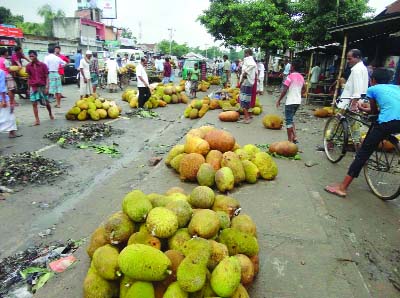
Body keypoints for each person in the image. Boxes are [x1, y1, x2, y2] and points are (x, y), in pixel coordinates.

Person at [325, 68, 400, 198]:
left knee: (362, 154)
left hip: (387, 122)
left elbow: (373, 111)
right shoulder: (397, 88)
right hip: (396, 121)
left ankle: (342, 188)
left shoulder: (373, 89)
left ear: (373, 80)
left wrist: (361, 108)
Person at [338, 49, 369, 148]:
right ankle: (357, 147)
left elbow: (357, 89)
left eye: (349, 58)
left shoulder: (356, 70)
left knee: (338, 121)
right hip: (356, 101)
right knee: (354, 127)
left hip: (350, 103)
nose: (348, 61)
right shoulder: (363, 68)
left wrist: (353, 103)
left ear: (357, 58)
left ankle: (330, 142)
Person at [276, 59, 305, 143]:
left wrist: (279, 100)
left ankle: (289, 141)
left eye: (291, 66)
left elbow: (285, 90)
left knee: (288, 121)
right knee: (291, 119)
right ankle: (295, 137)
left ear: (293, 67)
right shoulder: (301, 77)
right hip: (297, 101)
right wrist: (299, 94)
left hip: (290, 102)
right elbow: (304, 89)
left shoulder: (290, 76)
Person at [26, 50, 54, 126]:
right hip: (33, 87)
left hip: (42, 86)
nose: (31, 57)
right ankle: (37, 120)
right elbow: (29, 77)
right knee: (34, 104)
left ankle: (50, 114)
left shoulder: (43, 65)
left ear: (36, 56)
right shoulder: (28, 66)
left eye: (33, 56)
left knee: (46, 103)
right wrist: (28, 88)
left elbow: (47, 77)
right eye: (30, 56)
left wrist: (47, 87)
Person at [238, 49, 257, 124]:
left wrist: (245, 72)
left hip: (246, 82)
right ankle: (247, 116)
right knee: (246, 100)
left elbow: (253, 65)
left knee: (243, 100)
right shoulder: (250, 59)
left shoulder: (248, 59)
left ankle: (247, 118)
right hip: (248, 82)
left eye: (244, 53)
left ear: (247, 53)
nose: (244, 55)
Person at [0, 68, 20, 138]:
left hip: (3, 98)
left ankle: (12, 132)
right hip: (2, 98)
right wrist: (4, 100)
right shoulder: (1, 72)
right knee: (9, 115)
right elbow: (2, 87)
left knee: (8, 115)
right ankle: (11, 132)